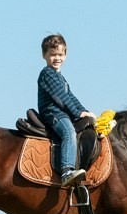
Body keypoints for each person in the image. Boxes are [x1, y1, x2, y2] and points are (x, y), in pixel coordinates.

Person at [37, 33, 96, 187]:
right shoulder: (47, 74)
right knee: (68, 132)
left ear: (66, 55)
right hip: (53, 113)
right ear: (44, 55)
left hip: (61, 112)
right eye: (53, 54)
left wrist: (85, 112)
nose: (57, 58)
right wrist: (77, 114)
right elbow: (61, 97)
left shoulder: (60, 77)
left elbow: (71, 97)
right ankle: (66, 171)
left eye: (60, 54)